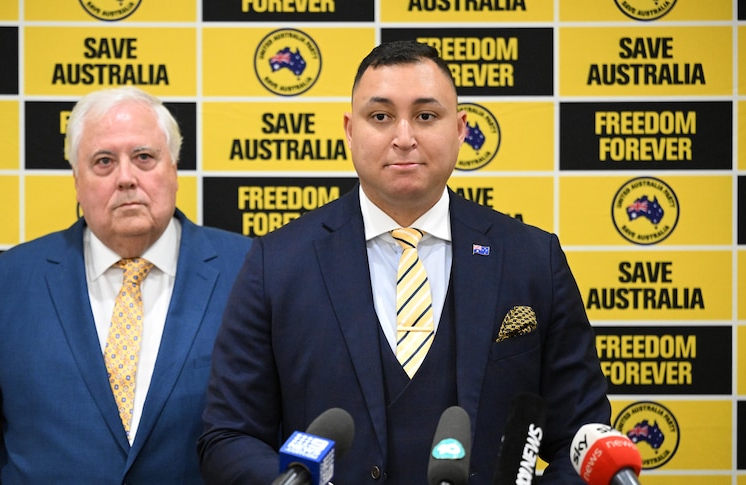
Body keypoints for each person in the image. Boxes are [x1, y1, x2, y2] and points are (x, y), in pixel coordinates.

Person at [197, 40, 611, 484]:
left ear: (461, 130)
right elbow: (229, 436)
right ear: (349, 131)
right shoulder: (277, 264)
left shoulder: (532, 260)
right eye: (380, 117)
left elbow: (584, 439)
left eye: (426, 116)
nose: (404, 137)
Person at [0, 86, 251, 484]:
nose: (126, 178)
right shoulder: (6, 287)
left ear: (174, 169)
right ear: (77, 181)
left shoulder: (249, 271)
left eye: (144, 157)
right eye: (104, 162)